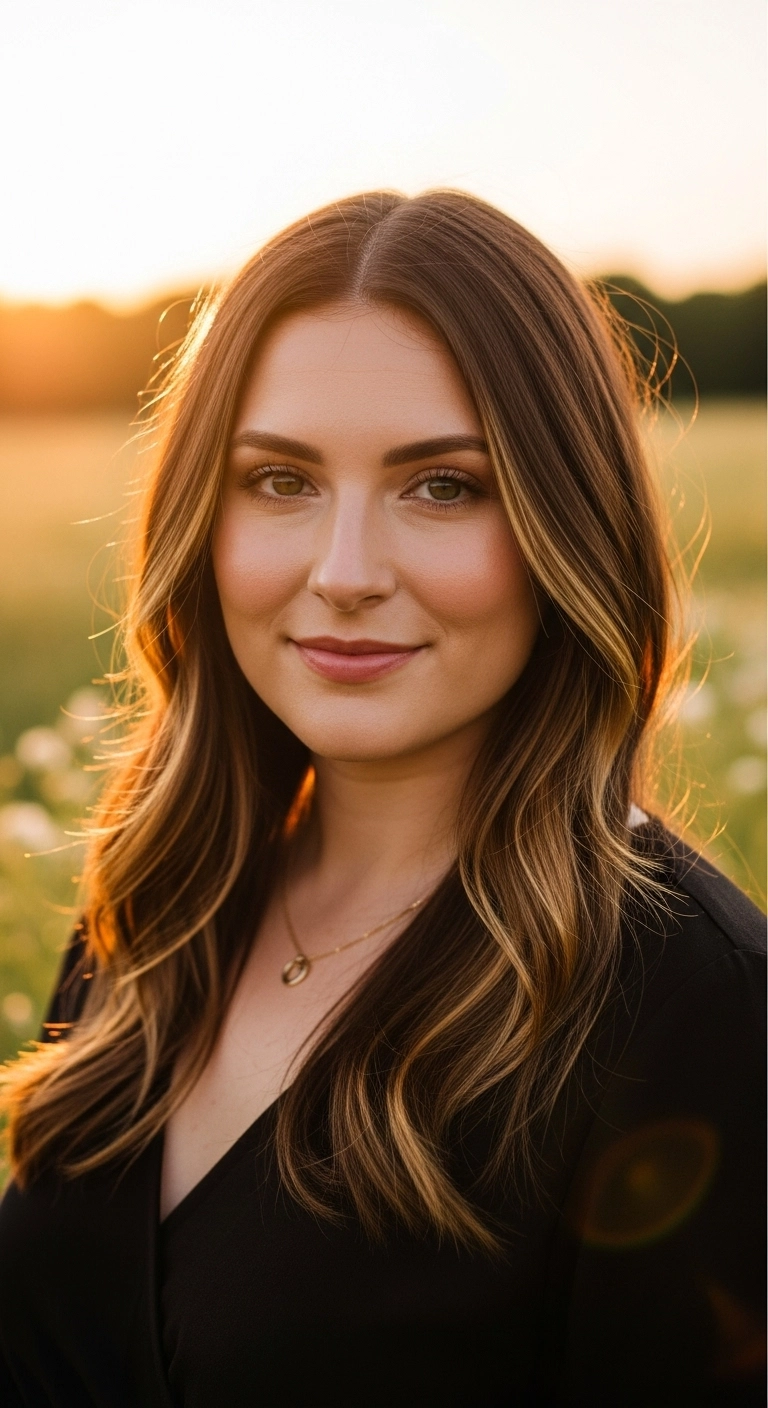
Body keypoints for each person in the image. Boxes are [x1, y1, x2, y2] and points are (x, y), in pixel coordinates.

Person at [0, 190, 764, 1408]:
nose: (344, 572)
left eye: (444, 486)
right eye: (280, 480)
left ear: (570, 523)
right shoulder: (163, 904)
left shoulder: (697, 1007)